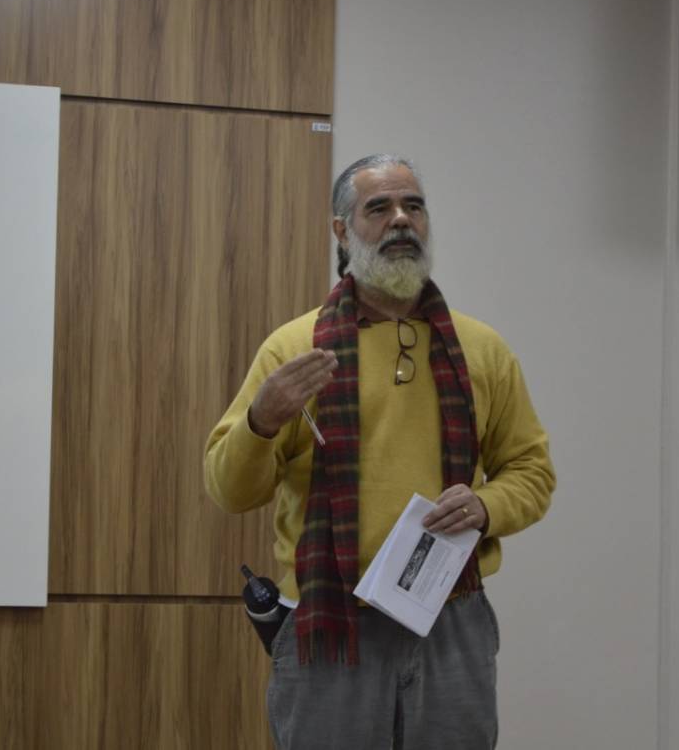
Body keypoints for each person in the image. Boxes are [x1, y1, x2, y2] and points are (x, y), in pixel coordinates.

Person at [204, 154, 556, 749]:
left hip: (450, 617)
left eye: (413, 206)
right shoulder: (294, 347)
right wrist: (261, 421)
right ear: (342, 231)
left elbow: (532, 470)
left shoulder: (482, 349)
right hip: (329, 623)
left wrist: (487, 506)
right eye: (379, 208)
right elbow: (229, 490)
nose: (401, 220)